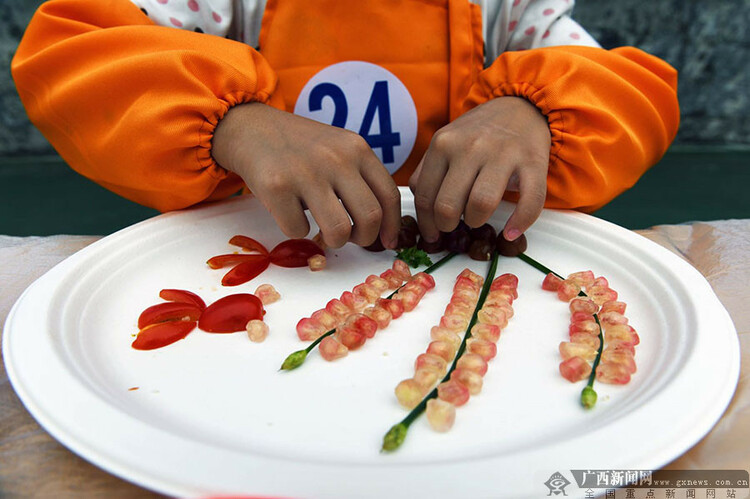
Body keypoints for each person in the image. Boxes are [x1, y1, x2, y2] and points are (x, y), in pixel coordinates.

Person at [11, 0, 679, 250]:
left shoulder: (508, 7)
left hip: (451, 277)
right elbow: (79, 55)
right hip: (276, 261)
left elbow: (628, 94)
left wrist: (534, 113)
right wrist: (235, 124)